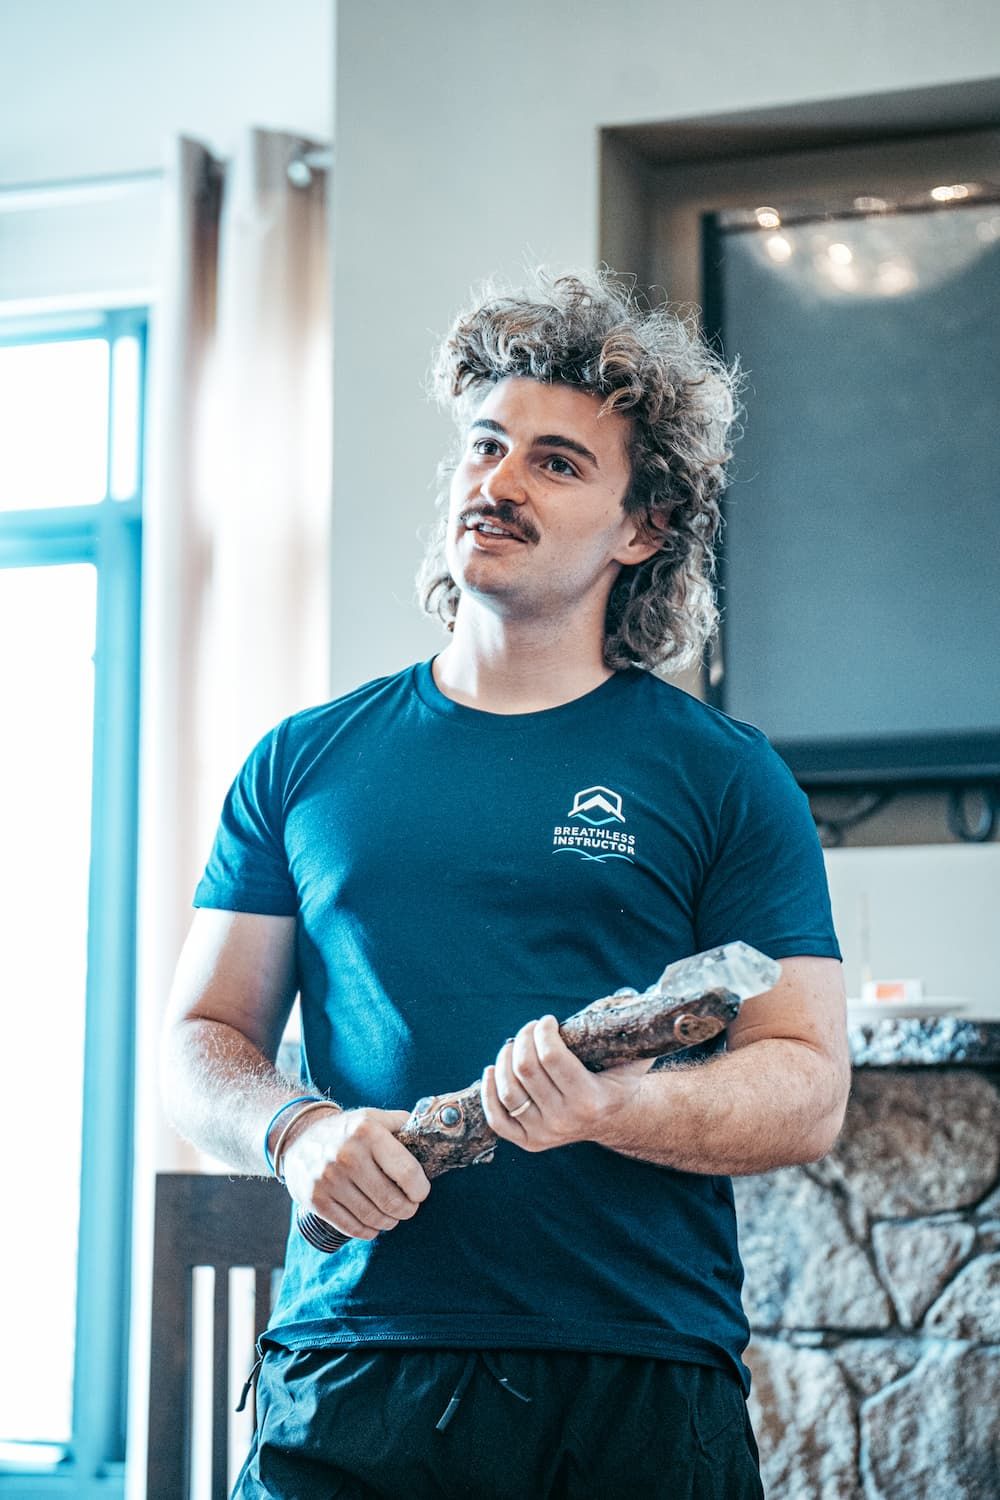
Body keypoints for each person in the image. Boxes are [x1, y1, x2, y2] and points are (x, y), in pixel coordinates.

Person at [161, 267, 849, 1499]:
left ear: (641, 530)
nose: (498, 481)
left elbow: (804, 1089)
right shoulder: (304, 761)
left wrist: (608, 1111)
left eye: (556, 462)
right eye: (486, 447)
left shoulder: (723, 776)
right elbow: (200, 1037)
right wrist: (293, 1128)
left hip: (638, 1377)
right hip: (354, 1369)